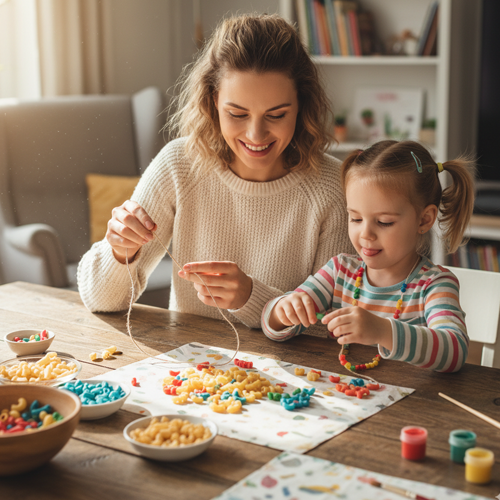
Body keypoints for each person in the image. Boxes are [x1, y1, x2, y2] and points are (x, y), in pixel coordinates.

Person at [77, 14, 353, 329]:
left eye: (276, 115)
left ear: (301, 105)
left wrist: (252, 297)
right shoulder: (179, 164)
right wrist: (120, 252)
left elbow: (331, 328)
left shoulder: (333, 189)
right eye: (237, 113)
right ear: (213, 102)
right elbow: (100, 300)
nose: (256, 135)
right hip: (190, 372)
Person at [262, 140, 475, 372]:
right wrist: (282, 310)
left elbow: (454, 351)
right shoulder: (339, 271)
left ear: (424, 220)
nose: (365, 234)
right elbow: (271, 325)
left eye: (384, 222)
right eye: (355, 218)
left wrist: (382, 330)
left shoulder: (434, 285)